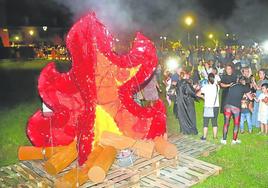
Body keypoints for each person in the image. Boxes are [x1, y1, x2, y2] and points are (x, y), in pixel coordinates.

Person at [221, 76, 252, 145]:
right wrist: (252, 95)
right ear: (243, 81)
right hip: (236, 107)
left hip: (227, 105)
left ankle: (224, 140)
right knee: (236, 124)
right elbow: (250, 97)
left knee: (226, 123)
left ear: (238, 80)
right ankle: (234, 140)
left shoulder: (232, 85)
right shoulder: (244, 87)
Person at [200, 73, 220, 140]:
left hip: (208, 106)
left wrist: (204, 97)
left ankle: (204, 137)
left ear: (208, 79)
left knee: (206, 122)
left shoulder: (205, 87)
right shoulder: (217, 86)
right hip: (215, 106)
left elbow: (198, 94)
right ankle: (215, 137)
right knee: (214, 122)